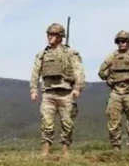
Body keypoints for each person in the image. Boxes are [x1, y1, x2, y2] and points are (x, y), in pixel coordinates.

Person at [29, 23, 86, 157]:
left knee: (67, 124)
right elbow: (35, 72)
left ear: (60, 36)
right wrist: (33, 89)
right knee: (46, 123)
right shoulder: (42, 55)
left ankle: (65, 152)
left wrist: (77, 88)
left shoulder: (70, 53)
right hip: (48, 93)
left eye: (53, 34)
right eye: (49, 34)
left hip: (66, 93)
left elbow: (79, 71)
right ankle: (45, 152)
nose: (50, 37)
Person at [97, 30, 129, 154]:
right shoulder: (111, 57)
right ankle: (116, 150)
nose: (121, 43)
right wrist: (109, 77)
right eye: (119, 41)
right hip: (116, 92)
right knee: (113, 121)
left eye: (124, 41)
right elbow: (101, 72)